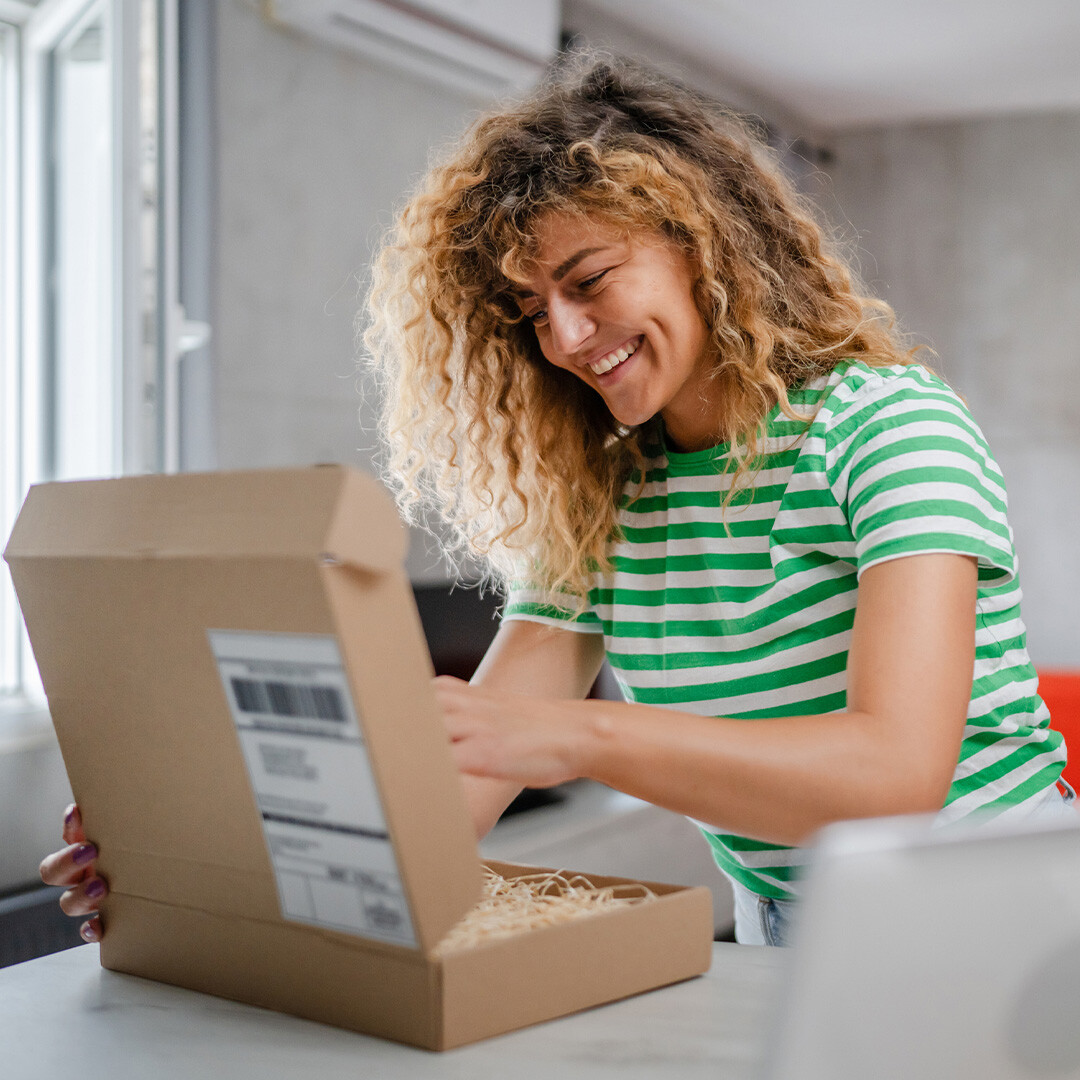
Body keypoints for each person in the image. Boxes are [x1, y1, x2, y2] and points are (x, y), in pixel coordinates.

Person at [41, 54, 1071, 947]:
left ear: (705, 243)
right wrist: (189, 868)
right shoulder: (602, 500)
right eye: (533, 310)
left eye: (589, 279)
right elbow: (455, 800)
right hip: (799, 928)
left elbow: (893, 776)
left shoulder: (888, 426)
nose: (568, 338)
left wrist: (575, 737)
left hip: (996, 918)